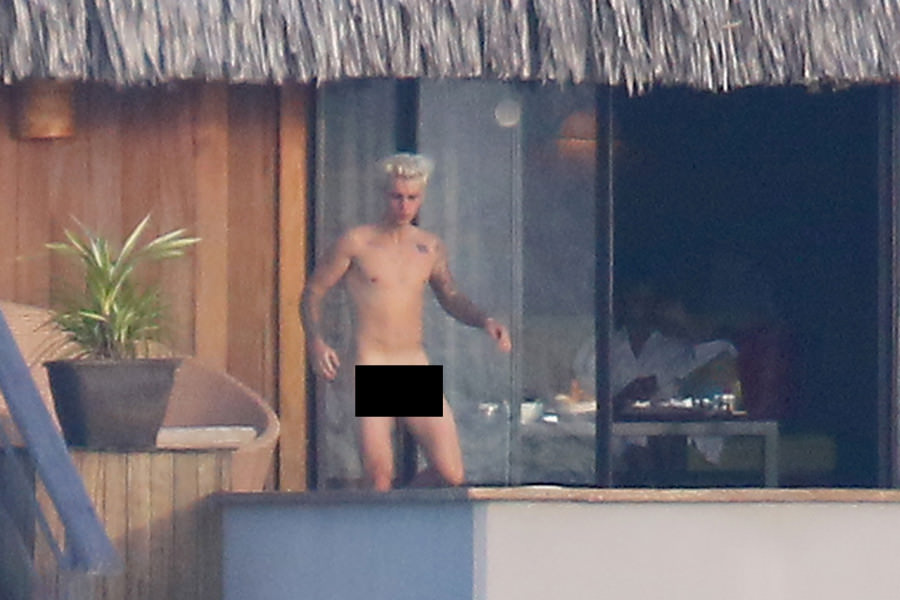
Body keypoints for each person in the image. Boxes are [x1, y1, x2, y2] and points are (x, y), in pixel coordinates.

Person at [301, 153, 512, 491]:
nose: (404, 206)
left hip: (413, 365)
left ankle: (402, 507)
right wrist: (316, 340)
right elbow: (313, 292)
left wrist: (484, 320)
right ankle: (378, 517)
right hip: (371, 364)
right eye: (397, 196)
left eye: (412, 197)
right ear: (384, 195)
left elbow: (450, 295)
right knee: (379, 477)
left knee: (451, 474)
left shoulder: (429, 246)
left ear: (422, 197)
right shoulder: (357, 242)